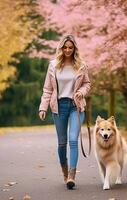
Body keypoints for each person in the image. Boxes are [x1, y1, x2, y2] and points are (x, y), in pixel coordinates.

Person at [39, 35, 91, 189]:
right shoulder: (53, 65)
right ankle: (64, 171)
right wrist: (43, 107)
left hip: (76, 105)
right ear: (61, 48)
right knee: (62, 143)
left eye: (71, 47)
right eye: (65, 47)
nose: (68, 50)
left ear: (74, 48)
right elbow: (48, 89)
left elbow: (87, 84)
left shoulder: (81, 65)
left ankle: (71, 176)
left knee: (73, 139)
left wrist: (82, 91)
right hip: (59, 107)